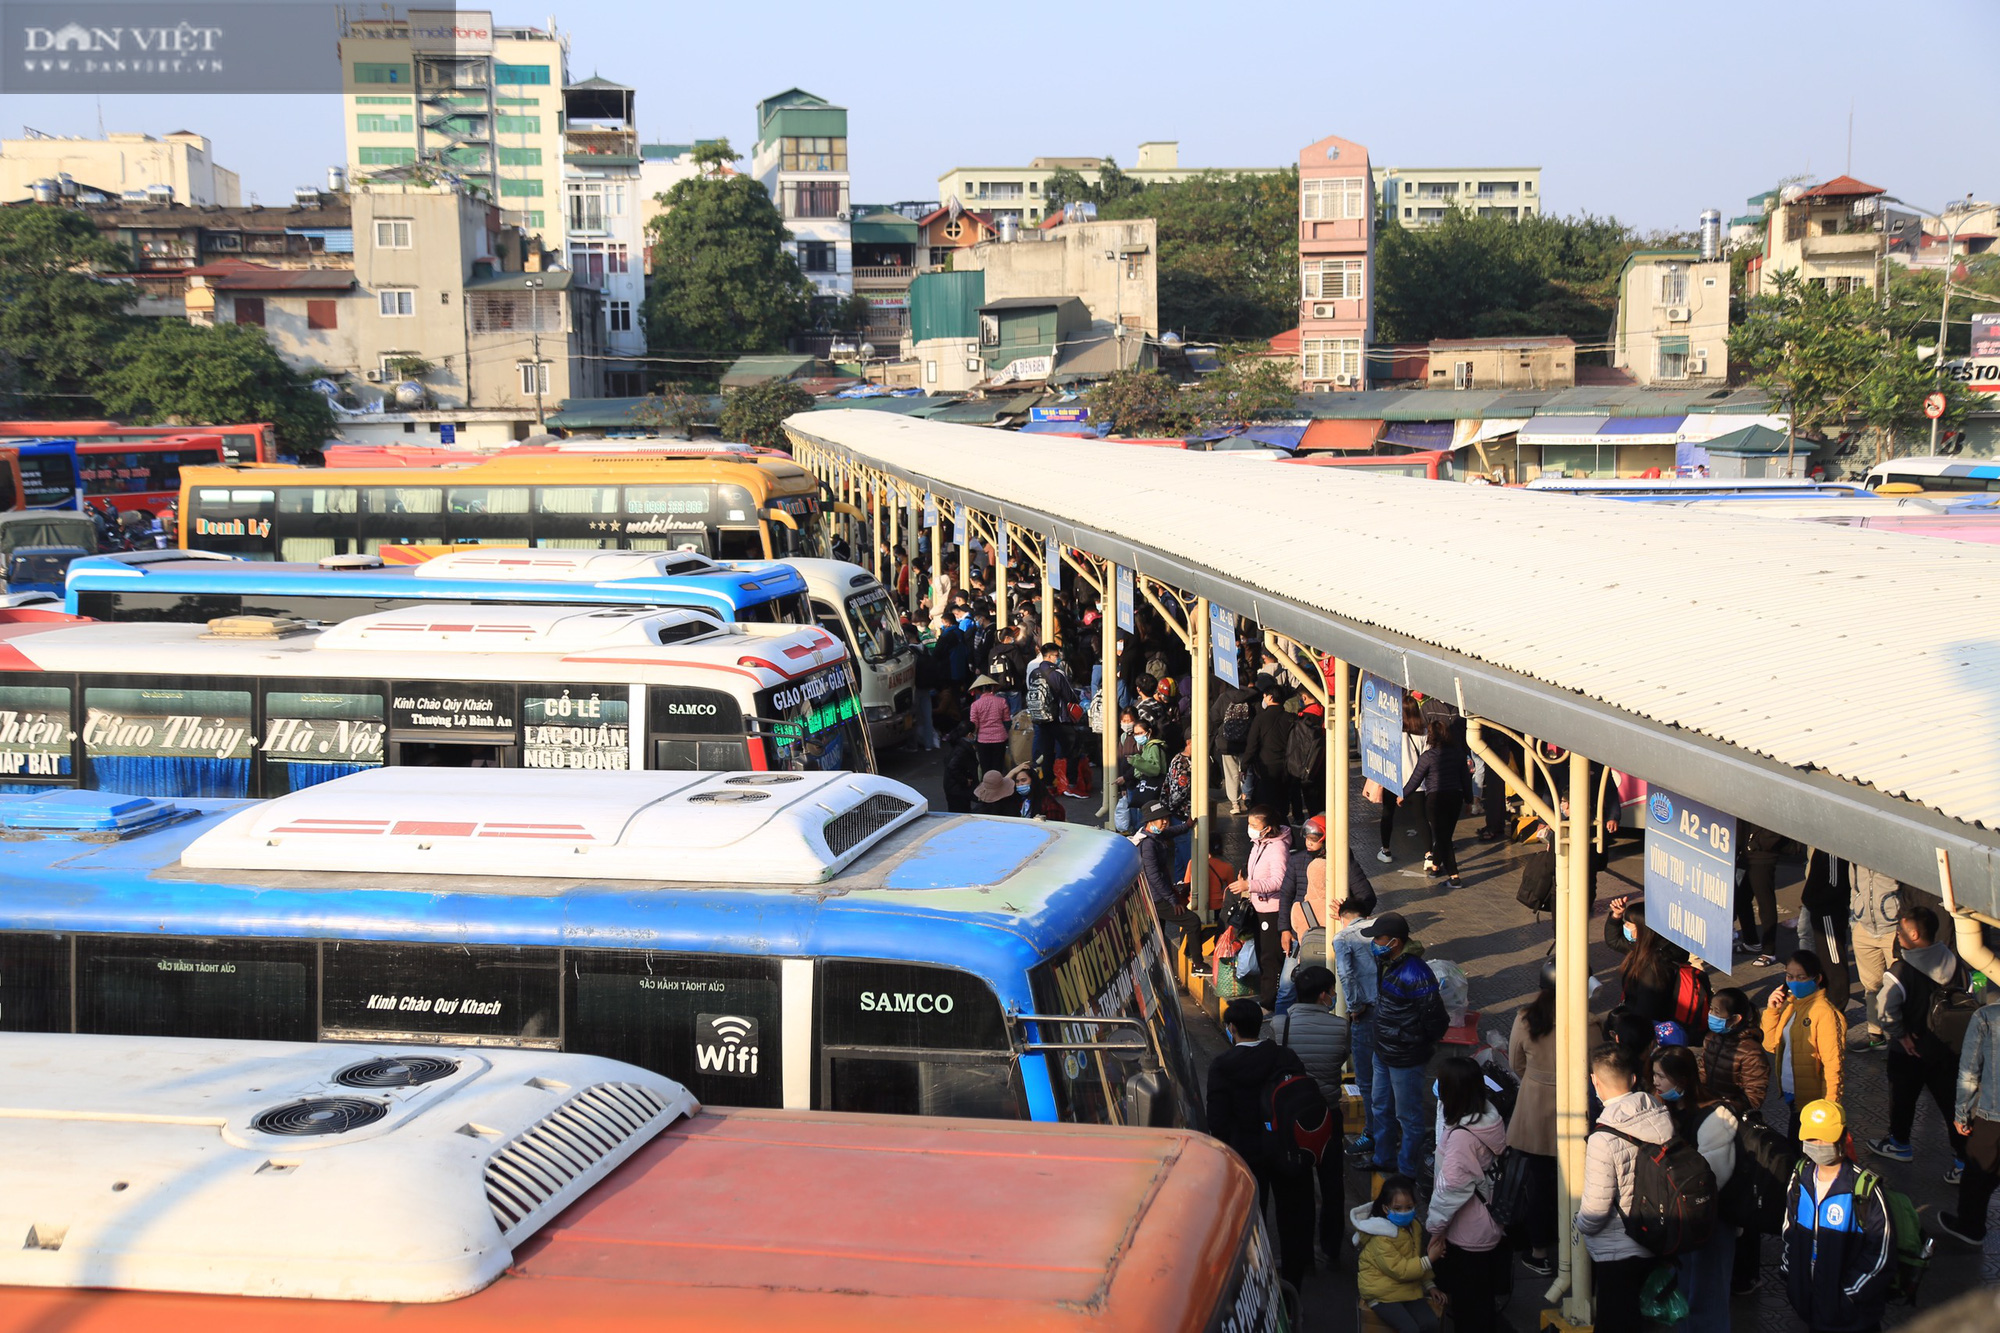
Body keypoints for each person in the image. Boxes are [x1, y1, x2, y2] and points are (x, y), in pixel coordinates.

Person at [1206, 997, 1315, 1289]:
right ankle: (1294, 1282)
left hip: (1246, 1155)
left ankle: (1257, 1282)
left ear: (1232, 1028)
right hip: (1287, 1149)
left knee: (1251, 1221)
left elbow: (1217, 1121)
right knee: (1292, 1217)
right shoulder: (1284, 1057)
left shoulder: (1223, 1066)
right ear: (1260, 1025)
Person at [1575, 1043, 1675, 1329]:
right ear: (1633, 1079)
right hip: (1658, 1238)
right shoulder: (1660, 1113)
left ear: (1595, 1080)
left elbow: (1596, 1209)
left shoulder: (1602, 1138)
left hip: (1617, 1250)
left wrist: (1579, 1223)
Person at [1867, 904, 1969, 1176]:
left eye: (1899, 930)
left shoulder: (1900, 970)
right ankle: (1963, 1161)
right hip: (1948, 1050)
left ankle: (1899, 1143)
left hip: (1908, 1051)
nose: (1897, 934)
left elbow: (1885, 1009)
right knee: (1952, 1107)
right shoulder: (1956, 962)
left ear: (1913, 933)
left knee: (1902, 1099)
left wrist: (1900, 1034)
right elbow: (1972, 993)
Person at [1780, 1099, 1894, 1333]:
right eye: (1811, 1138)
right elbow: (1789, 1230)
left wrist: (1848, 1295)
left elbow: (1881, 1252)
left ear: (1843, 1137)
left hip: (1853, 1317)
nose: (1818, 1145)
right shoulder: (1800, 1177)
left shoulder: (1865, 1189)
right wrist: (1794, 1280)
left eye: (1825, 1138)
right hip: (1812, 1308)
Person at [1653, 1045, 1738, 1333]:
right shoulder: (1666, 1111)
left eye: (1661, 1077)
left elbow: (1715, 1176)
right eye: (1653, 1075)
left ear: (1682, 1080)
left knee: (1706, 1296)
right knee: (1686, 1290)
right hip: (1684, 1220)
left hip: (1711, 1220)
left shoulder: (1715, 1119)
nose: (1655, 1083)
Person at [1425, 1056, 1508, 1333]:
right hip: (1488, 1222)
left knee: (1469, 1309)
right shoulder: (1489, 1118)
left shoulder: (1463, 1136)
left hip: (1467, 1230)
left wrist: (1435, 1229)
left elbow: (1451, 1190)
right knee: (1481, 1301)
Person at [1364, 911, 1449, 1179]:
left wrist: (1417, 1042)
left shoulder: (1416, 973)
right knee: (1380, 1106)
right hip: (1384, 1051)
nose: (1375, 943)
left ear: (1395, 942)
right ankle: (1383, 1157)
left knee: (1408, 1117)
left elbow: (1435, 1018)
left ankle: (1406, 1170)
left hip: (1405, 1056)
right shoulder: (1387, 963)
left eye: (1379, 938)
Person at [1273, 963, 1349, 1256]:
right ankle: (1331, 1248)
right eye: (1330, 991)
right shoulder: (1341, 1027)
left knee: (1299, 1185)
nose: (1332, 995)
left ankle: (1301, 1250)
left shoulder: (1281, 1026)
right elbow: (1341, 1057)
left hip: (1292, 1117)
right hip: (1328, 1113)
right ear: (1322, 996)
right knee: (1332, 1185)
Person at [1507, 957, 1560, 1277]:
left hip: (1534, 1108)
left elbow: (1516, 1063)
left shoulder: (1527, 1018)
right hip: (1574, 1110)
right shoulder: (1588, 1021)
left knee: (1537, 1183)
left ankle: (1539, 1251)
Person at [1763, 950, 1846, 1141]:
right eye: (1790, 976)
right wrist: (1772, 1012)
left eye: (1801, 977)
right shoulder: (1791, 1006)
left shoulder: (1825, 1014)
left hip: (1812, 1101)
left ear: (1817, 979)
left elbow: (1834, 1065)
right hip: (1794, 1094)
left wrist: (1830, 1107)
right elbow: (1771, 1046)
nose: (1794, 982)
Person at [1941, 991, 2000, 1247]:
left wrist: (1962, 1112)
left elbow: (1969, 1070)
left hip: (1993, 1115)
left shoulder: (1988, 1016)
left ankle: (1970, 1227)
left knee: (1977, 1173)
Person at [1352, 1175, 1442, 1333]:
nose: (1404, 1212)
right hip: (1380, 1293)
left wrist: (1430, 1285)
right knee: (1410, 1329)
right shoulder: (1381, 1236)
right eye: (1398, 1208)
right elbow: (1401, 1270)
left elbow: (1415, 1258)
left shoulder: (1414, 1226)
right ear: (1386, 1209)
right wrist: (1431, 1259)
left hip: (1405, 1288)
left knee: (1431, 1324)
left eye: (1409, 1207)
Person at [1333, 878, 1382, 1159]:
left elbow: (1346, 974)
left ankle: (1373, 1133)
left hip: (1366, 1011)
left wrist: (1353, 1006)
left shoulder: (1343, 937)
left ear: (1343, 919)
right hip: (1388, 1009)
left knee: (1367, 1078)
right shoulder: (1378, 931)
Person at [1227, 807, 1291, 1012]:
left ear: (1268, 828)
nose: (1250, 829)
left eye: (1255, 826)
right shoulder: (1258, 844)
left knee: (1269, 956)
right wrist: (1248, 882)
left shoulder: (1278, 848)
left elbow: (1279, 881)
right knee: (1263, 953)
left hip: (1271, 910)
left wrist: (1250, 886)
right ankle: (1266, 997)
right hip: (1258, 905)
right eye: (1249, 825)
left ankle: (1269, 1003)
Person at [1605, 896, 1698, 1025]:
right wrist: (1616, 916)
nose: (1624, 927)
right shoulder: (1644, 946)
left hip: (1645, 1028)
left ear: (1643, 929)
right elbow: (1614, 941)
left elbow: (1646, 1010)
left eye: (1628, 924)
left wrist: (1629, 1028)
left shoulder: (1653, 966)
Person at [1403, 716, 1470, 887]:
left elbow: (1415, 779)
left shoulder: (1428, 756)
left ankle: (1454, 876)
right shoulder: (1458, 754)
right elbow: (1465, 779)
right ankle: (1435, 866)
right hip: (1455, 798)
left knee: (1443, 837)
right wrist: (1470, 800)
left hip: (1435, 799)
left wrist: (1402, 795)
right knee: (1445, 834)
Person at [1847, 866, 1907, 1052]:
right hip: (1864, 929)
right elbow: (1854, 887)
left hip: (1893, 929)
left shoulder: (1891, 851)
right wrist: (1855, 921)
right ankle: (1875, 1035)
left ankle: (1904, 1039)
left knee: (1901, 985)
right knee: (1871, 986)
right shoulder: (1855, 856)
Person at [1135, 803, 1198, 957]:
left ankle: (1160, 961)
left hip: (1155, 895)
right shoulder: (1148, 845)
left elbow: (1170, 832)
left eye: (1166, 818)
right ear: (1150, 821)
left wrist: (1187, 826)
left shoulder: (1154, 834)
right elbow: (1154, 876)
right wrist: (1172, 900)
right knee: (1192, 921)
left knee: (1158, 932)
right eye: (1160, 819)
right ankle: (1198, 963)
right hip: (1157, 898)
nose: (1165, 822)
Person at [1700, 986, 1771, 1117]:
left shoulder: (1751, 1052)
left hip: (1730, 1116)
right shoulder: (1711, 1038)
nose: (1711, 1015)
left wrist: (1728, 1107)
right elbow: (1703, 1070)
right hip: (1707, 1108)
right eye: (1710, 1009)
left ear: (1735, 1019)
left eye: (1716, 1012)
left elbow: (1754, 1096)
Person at [1023, 642, 1076, 793]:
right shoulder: (1056, 673)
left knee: (1047, 751)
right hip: (1057, 717)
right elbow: (1068, 695)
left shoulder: (1034, 671)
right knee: (1072, 748)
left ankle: (1048, 783)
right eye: (1057, 656)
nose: (1058, 659)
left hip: (1039, 715)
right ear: (1051, 656)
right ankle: (1070, 783)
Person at [1244, 678, 1294, 825]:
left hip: (1266, 767)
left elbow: (1252, 745)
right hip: (1288, 767)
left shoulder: (1260, 719)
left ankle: (1273, 831)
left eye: (1265, 696)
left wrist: (1245, 765)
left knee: (1265, 805)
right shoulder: (1291, 718)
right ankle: (1285, 834)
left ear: (1270, 697)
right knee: (1282, 803)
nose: (1263, 699)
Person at [1736, 820, 1783, 967]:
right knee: (1741, 899)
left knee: (1765, 903)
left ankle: (1769, 952)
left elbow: (1776, 830)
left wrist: (1755, 844)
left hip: (1763, 857)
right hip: (1746, 855)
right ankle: (1751, 942)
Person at [1211, 675, 1260, 815]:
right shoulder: (1254, 697)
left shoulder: (1224, 697)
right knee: (1247, 771)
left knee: (1231, 773)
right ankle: (1248, 798)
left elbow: (1214, 717)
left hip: (1227, 743)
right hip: (1247, 742)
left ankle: (1235, 804)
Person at [967, 675, 1011, 775]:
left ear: (978, 690)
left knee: (986, 768)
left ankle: (987, 788)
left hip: (983, 740)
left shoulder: (975, 705)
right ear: (992, 688)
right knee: (998, 767)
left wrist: (972, 736)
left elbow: (974, 723)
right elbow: (1007, 721)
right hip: (1000, 738)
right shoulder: (1001, 701)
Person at [939, 721, 978, 815]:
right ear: (969, 734)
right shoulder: (962, 749)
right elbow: (952, 767)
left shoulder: (957, 744)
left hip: (954, 788)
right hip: (958, 790)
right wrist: (964, 780)